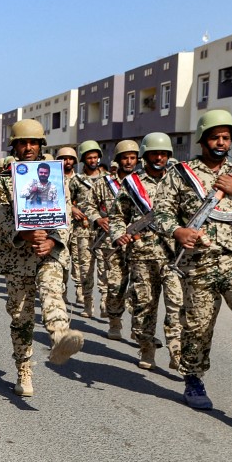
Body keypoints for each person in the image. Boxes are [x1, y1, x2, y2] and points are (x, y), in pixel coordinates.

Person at [152, 109, 232, 409]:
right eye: (215, 137)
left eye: (226, 137)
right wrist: (178, 231)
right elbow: (160, 212)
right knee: (197, 327)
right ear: (202, 140)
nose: (221, 142)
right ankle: (193, 380)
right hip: (198, 262)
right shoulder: (180, 173)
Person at [0, 119, 83, 397]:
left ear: (41, 146)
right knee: (21, 316)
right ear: (14, 146)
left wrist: (52, 239)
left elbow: (65, 217)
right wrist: (26, 235)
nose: (28, 147)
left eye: (34, 143)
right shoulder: (0, 183)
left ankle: (60, 334)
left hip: (48, 252)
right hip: (18, 257)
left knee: (53, 288)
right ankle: (24, 368)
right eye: (22, 143)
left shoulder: (57, 179)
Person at [108, 133, 182, 370]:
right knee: (144, 306)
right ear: (145, 156)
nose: (159, 157)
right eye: (154, 153)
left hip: (174, 254)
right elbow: (117, 215)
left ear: (169, 155)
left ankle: (177, 349)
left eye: (163, 153)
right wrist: (119, 233)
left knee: (177, 304)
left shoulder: (179, 180)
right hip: (142, 254)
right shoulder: (132, 184)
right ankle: (146, 345)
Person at [82, 140, 137, 338]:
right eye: (125, 158)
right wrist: (97, 219)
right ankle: (115, 322)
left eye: (132, 158)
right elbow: (87, 205)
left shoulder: (143, 184)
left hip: (139, 243)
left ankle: (139, 328)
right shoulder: (104, 184)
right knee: (115, 285)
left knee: (139, 288)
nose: (129, 161)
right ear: (118, 160)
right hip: (111, 244)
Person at [69, 141, 103, 316]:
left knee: (105, 269)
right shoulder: (76, 181)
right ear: (83, 159)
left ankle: (106, 302)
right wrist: (73, 209)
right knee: (85, 268)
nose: (93, 160)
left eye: (95, 157)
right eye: (89, 157)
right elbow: (68, 201)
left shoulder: (107, 179)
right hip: (82, 230)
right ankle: (88, 303)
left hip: (103, 230)